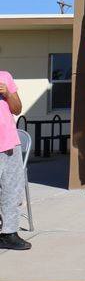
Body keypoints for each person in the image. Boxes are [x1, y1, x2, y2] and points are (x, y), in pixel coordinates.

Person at [0, 70, 28, 251]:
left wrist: (8, 94)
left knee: (12, 189)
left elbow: (17, 109)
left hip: (9, 143)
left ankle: (9, 233)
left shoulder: (5, 76)